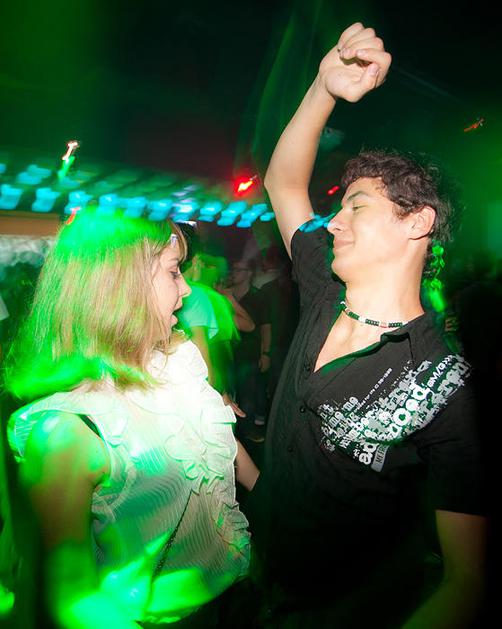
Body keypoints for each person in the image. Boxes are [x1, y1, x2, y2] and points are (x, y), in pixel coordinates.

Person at [245, 22, 487, 628]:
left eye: (356, 206)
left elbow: (467, 581)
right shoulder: (324, 286)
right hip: (256, 581)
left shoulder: (444, 383)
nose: (334, 222)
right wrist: (322, 88)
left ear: (417, 222)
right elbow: (282, 183)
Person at [3, 207, 258, 628]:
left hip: (241, 591)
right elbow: (73, 597)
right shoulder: (67, 430)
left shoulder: (177, 363)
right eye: (174, 272)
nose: (187, 289)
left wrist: (274, 504)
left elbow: (218, 439)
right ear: (124, 286)